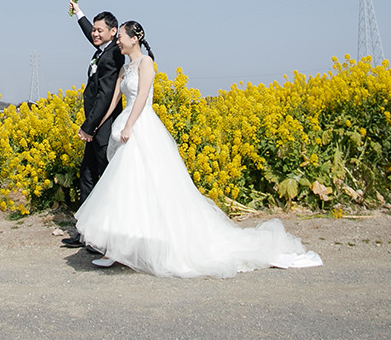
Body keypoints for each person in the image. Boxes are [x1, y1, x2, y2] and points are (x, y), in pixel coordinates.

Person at [74, 20, 323, 277]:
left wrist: (131, 126)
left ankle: (147, 245)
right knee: (124, 187)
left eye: (120, 38)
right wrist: (93, 128)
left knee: (147, 185)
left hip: (142, 125)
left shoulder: (146, 63)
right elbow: (113, 102)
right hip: (126, 123)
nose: (118, 43)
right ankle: (116, 249)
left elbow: (145, 97)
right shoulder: (125, 69)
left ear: (133, 39)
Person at [58, 0, 125, 250]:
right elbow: (90, 34)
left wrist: (88, 127)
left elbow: (105, 97)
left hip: (103, 129)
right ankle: (84, 231)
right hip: (95, 128)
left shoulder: (112, 56)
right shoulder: (103, 49)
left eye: (100, 30)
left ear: (113, 31)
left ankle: (106, 234)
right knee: (86, 176)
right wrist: (78, 13)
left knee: (103, 180)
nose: (95, 34)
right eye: (94, 30)